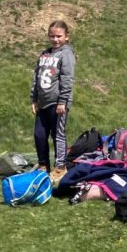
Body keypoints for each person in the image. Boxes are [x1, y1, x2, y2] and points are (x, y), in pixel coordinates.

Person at [30, 20, 75, 180]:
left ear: (66, 36)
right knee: (39, 135)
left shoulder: (66, 54)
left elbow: (67, 79)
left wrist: (63, 101)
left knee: (58, 135)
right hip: (42, 103)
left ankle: (60, 167)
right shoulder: (45, 54)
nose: (55, 39)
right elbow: (36, 77)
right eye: (52, 36)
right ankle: (43, 165)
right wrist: (34, 99)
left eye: (59, 36)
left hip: (57, 103)